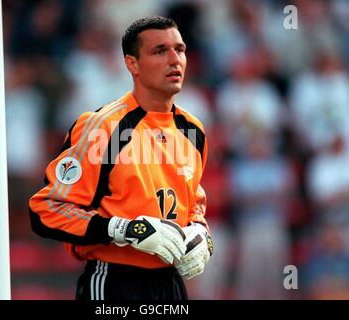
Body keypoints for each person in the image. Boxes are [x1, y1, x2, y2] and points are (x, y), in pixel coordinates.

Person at [29, 16, 213, 300]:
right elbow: (46, 210)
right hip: (114, 280)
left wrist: (200, 234)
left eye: (180, 49)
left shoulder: (193, 131)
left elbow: (193, 205)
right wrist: (123, 229)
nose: (175, 59)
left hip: (170, 283)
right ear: (132, 64)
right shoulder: (103, 127)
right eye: (160, 51)